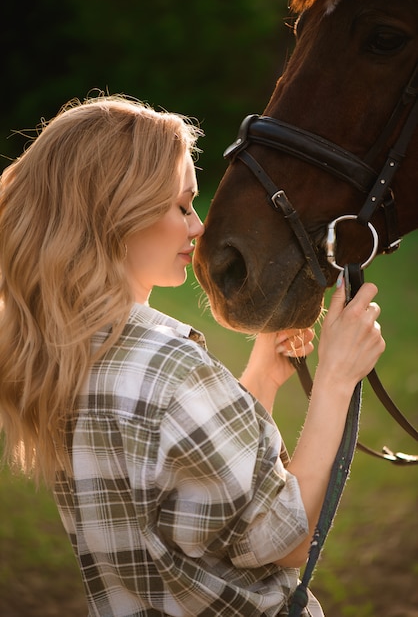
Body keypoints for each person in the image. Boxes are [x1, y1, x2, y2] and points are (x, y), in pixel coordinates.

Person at [0, 95, 385, 617]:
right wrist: (338, 376)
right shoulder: (173, 370)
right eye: (182, 206)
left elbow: (204, 505)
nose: (198, 226)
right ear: (118, 212)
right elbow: (285, 537)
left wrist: (261, 379)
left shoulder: (66, 360)